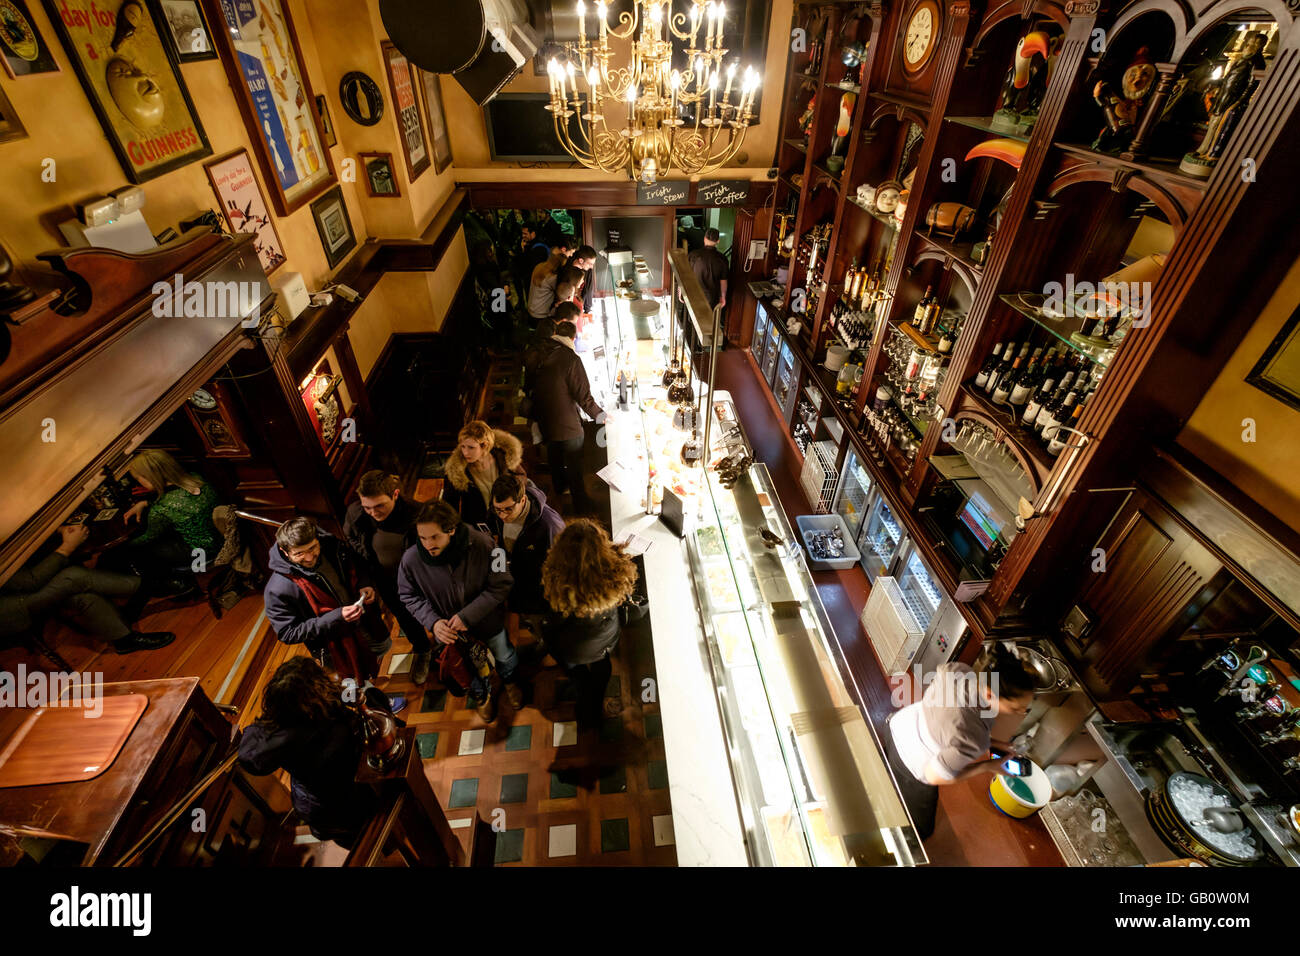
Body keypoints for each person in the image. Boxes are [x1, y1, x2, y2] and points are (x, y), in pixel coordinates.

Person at [882, 647, 1038, 840]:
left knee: (885, 770)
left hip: (898, 724)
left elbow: (953, 724)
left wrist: (995, 743)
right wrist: (989, 765)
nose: (1020, 712)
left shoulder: (961, 672)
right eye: (1016, 708)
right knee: (921, 829)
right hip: (910, 760)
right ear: (990, 694)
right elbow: (934, 777)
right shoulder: (973, 739)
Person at [264, 516, 405, 713]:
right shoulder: (278, 589)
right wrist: (337, 617)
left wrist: (364, 582)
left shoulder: (333, 546)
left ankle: (370, 695)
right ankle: (370, 711)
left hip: (362, 623)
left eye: (312, 548)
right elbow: (287, 633)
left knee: (372, 659)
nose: (309, 557)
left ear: (317, 539)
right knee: (349, 683)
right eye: (299, 554)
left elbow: (358, 563)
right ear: (285, 552)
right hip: (332, 646)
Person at [397, 500, 520, 721]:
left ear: (452, 530)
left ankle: (510, 681)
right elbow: (408, 595)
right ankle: (483, 697)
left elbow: (503, 583)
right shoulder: (410, 559)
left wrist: (468, 615)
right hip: (450, 633)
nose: (427, 545)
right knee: (466, 670)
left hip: (487, 621)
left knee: (504, 654)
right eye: (422, 537)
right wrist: (433, 622)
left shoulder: (487, 545)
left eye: (434, 537)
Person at [238, 657, 378, 849]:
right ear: (317, 687)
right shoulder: (329, 711)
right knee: (372, 835)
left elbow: (249, 757)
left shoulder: (278, 731)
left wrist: (269, 720)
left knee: (358, 843)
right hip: (351, 798)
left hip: (320, 807)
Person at [0, 523, 175, 654]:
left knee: (82, 595)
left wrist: (58, 528)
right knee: (73, 576)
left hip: (17, 587)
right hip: (8, 610)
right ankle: (151, 586)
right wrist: (67, 547)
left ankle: (124, 640)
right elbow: (30, 581)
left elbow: (17, 530)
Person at [540, 519, 638, 729]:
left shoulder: (559, 582)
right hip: (606, 639)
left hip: (572, 648)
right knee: (603, 667)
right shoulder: (616, 569)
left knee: (577, 674)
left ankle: (586, 705)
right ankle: (597, 699)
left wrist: (547, 639)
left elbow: (553, 623)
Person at [344, 471, 433, 685]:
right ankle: (423, 649)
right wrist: (365, 581)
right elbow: (356, 552)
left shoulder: (418, 514)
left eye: (379, 506)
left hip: (423, 579)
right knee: (405, 618)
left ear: (395, 494)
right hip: (387, 581)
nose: (373, 513)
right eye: (367, 507)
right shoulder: (356, 515)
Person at [102, 449, 221, 594]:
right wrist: (145, 502)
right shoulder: (196, 478)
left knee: (140, 550)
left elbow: (148, 538)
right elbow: (181, 503)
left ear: (149, 478)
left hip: (200, 554)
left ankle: (177, 584)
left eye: (138, 479)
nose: (138, 482)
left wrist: (123, 545)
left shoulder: (161, 509)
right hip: (220, 539)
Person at [531, 318, 604, 516]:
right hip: (566, 425)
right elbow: (584, 397)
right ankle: (581, 506)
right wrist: (601, 415)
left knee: (554, 455)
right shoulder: (571, 359)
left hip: (545, 420)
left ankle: (560, 487)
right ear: (573, 338)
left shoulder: (539, 351)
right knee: (575, 464)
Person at [486, 472, 564, 640]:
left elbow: (558, 568)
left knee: (543, 626)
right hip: (517, 581)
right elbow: (497, 542)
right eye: (498, 510)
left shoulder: (549, 526)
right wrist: (498, 569)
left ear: (522, 500)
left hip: (539, 592)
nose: (502, 516)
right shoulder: (498, 511)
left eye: (508, 509)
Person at [441, 420, 525, 529]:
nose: (465, 452)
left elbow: (521, 476)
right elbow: (449, 506)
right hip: (479, 524)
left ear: (484, 445)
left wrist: (512, 494)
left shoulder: (503, 457)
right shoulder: (457, 471)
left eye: (471, 447)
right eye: (462, 446)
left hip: (506, 518)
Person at [527, 235, 579, 322]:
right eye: (571, 253)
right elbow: (561, 293)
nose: (570, 256)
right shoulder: (553, 275)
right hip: (540, 313)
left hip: (531, 307)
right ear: (563, 249)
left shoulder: (540, 265)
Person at [688, 227, 731, 312]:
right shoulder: (722, 259)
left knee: (693, 319)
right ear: (718, 241)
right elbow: (723, 281)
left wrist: (680, 290)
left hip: (693, 295)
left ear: (704, 238)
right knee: (709, 320)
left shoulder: (693, 255)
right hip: (712, 298)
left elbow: (685, 275)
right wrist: (723, 296)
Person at [566, 244, 598, 313]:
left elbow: (589, 288)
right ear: (581, 260)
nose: (592, 267)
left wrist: (587, 310)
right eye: (590, 264)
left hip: (580, 305)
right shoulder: (567, 269)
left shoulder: (588, 269)